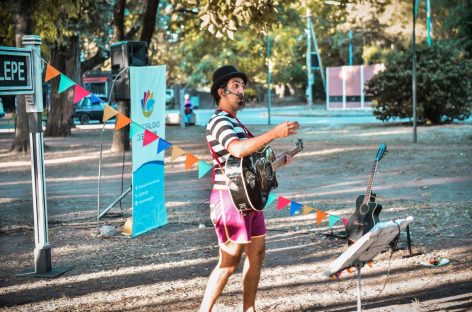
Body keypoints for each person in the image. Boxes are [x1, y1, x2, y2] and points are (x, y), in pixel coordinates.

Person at [201, 65, 299, 312]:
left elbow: (250, 169)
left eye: (242, 85)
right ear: (221, 92)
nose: (241, 90)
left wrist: (276, 164)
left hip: (250, 198)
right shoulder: (218, 121)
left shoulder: (237, 123)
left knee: (257, 255)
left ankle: (249, 309)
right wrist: (274, 134)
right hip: (229, 200)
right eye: (236, 86)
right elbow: (236, 150)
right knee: (228, 262)